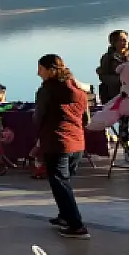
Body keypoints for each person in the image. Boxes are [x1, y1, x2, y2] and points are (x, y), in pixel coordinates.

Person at [35, 54, 90, 239]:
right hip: (77, 142)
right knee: (65, 182)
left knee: (60, 183)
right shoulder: (79, 90)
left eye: (40, 69)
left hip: (57, 141)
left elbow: (39, 116)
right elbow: (86, 118)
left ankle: (77, 226)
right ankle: (65, 216)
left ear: (51, 70)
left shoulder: (48, 90)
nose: (38, 73)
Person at [97, 30, 129, 105]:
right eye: (122, 40)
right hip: (114, 95)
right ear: (114, 42)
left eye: (126, 39)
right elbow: (103, 76)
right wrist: (120, 80)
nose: (126, 41)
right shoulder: (107, 58)